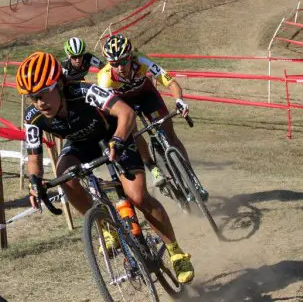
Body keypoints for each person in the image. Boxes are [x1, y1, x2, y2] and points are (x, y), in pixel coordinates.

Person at [17, 52, 195, 284]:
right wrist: (34, 182)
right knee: (65, 177)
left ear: (59, 84)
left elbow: (126, 112)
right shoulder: (33, 116)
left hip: (114, 135)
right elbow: (34, 156)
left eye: (43, 94)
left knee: (138, 196)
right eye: (32, 97)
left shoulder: (84, 91)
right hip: (80, 144)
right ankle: (108, 226)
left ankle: (175, 251)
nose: (39, 102)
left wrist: (120, 140)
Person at [97, 35, 197, 193]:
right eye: (114, 64)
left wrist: (180, 101)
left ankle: (191, 176)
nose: (120, 67)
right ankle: (152, 167)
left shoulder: (142, 61)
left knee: (170, 134)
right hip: (123, 103)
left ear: (131, 57)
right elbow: (108, 110)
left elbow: (170, 82)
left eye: (123, 61)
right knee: (133, 133)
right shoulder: (105, 79)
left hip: (146, 95)